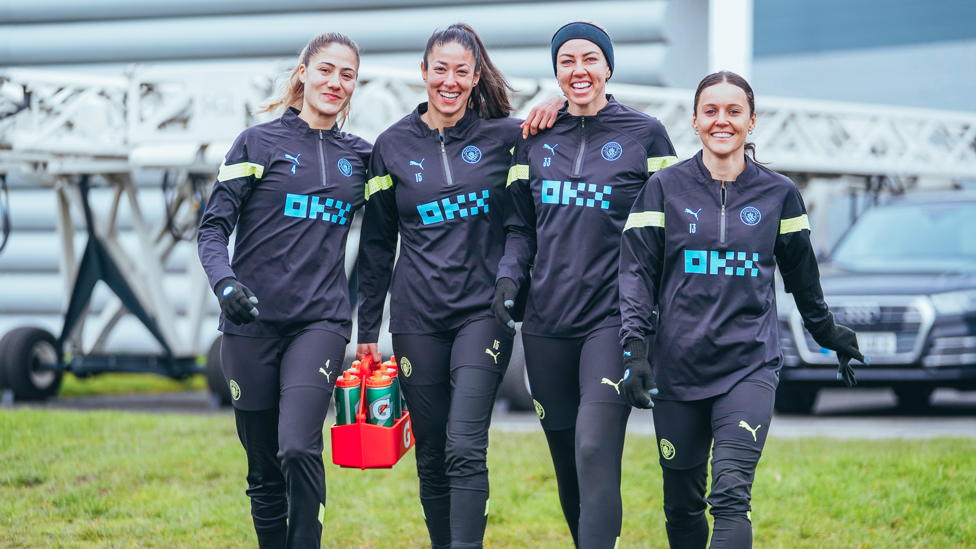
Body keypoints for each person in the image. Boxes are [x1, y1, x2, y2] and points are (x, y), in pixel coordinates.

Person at [617, 71, 867, 549]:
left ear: (751, 122)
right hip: (677, 368)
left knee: (730, 496)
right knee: (682, 506)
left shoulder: (779, 194)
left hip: (749, 366)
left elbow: (802, 277)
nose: (722, 120)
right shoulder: (663, 189)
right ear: (694, 120)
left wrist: (828, 331)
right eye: (711, 111)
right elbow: (636, 275)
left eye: (734, 111)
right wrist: (635, 351)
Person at [355, 23, 562, 549]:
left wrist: (559, 96)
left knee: (464, 445)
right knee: (430, 454)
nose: (450, 81)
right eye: (439, 69)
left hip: (482, 315)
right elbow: (377, 246)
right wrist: (367, 331)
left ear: (475, 78)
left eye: (461, 71)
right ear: (423, 73)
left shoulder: (507, 138)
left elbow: (591, 116)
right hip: (415, 320)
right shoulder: (390, 147)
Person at [493, 21, 678, 549]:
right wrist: (509, 280)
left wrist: (653, 321)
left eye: (590, 59)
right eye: (567, 61)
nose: (579, 70)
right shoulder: (533, 139)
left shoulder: (646, 135)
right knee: (569, 465)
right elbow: (519, 228)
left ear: (608, 67)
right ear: (556, 70)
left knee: (595, 450)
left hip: (612, 321)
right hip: (547, 325)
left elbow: (671, 231)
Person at [197, 33, 371, 549]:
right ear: (302, 72)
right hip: (250, 327)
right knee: (263, 472)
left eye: (347, 75)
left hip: (319, 324)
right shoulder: (256, 143)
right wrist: (224, 283)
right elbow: (211, 229)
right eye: (325, 70)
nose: (335, 83)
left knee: (298, 447)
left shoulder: (363, 158)